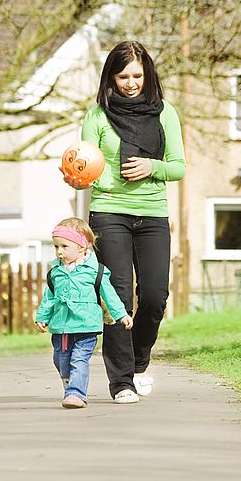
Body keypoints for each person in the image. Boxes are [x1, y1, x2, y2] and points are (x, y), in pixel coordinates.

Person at [61, 41, 186, 404]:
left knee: (154, 297)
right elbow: (86, 165)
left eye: (137, 76)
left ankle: (139, 360)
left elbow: (178, 166)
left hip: (152, 214)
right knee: (117, 297)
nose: (130, 83)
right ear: (110, 78)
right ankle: (121, 383)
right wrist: (76, 177)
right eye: (123, 76)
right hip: (109, 213)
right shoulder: (97, 116)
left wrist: (153, 167)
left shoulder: (165, 113)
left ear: (147, 76)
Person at [35, 217, 133, 409]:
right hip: (61, 327)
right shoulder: (56, 272)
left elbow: (110, 295)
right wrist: (43, 316)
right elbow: (50, 296)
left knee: (79, 359)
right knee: (62, 361)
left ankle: (76, 394)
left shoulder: (95, 271)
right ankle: (70, 384)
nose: (59, 251)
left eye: (64, 246)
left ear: (81, 246)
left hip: (86, 325)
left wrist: (121, 314)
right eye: (56, 247)